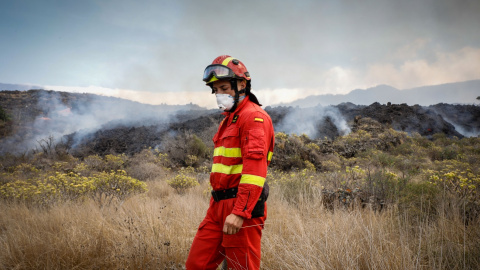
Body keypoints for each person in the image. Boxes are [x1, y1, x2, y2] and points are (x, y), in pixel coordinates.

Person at [186, 55, 275, 270]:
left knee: (241, 267)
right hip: (217, 205)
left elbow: (254, 172)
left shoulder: (253, 118)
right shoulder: (229, 119)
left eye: (224, 87)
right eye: (216, 90)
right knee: (196, 265)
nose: (219, 94)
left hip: (240, 205)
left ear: (242, 84)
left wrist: (239, 213)